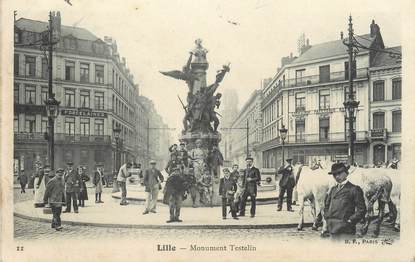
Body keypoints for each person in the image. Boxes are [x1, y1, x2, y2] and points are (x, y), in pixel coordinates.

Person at [323, 162, 366, 239]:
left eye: (339, 173)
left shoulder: (354, 189)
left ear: (346, 173)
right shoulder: (333, 189)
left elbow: (362, 210)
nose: (337, 176)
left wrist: (350, 221)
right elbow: (326, 205)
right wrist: (328, 218)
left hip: (346, 230)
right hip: (332, 229)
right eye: (334, 174)